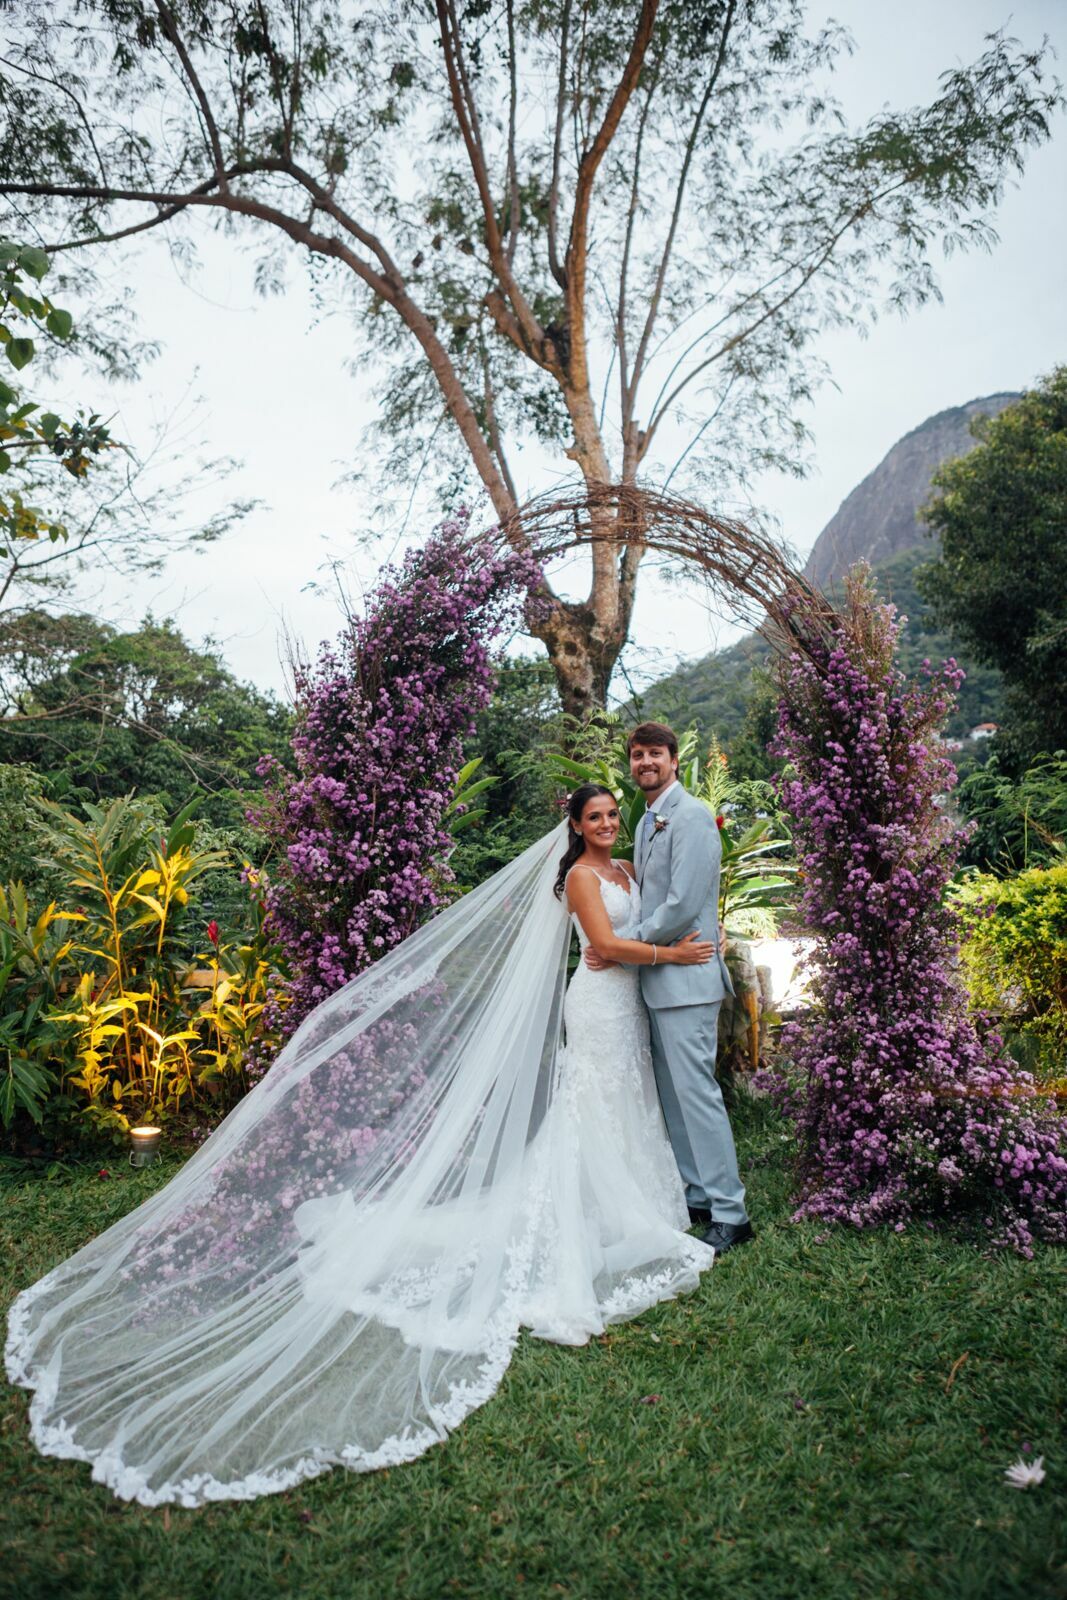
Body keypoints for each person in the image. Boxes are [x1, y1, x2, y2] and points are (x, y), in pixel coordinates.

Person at [6, 786, 720, 1507]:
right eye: (594, 817)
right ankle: (588, 1215)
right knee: (590, 1107)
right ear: (574, 825)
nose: (606, 824)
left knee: (625, 1103)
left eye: (611, 815)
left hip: (626, 1007)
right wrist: (673, 952)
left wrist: (663, 943)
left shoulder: (627, 867)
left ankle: (629, 1203)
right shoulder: (581, 876)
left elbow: (641, 923)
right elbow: (603, 948)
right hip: (597, 1008)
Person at [585, 723, 753, 1254]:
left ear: (674, 759)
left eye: (655, 753)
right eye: (637, 755)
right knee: (675, 1099)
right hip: (655, 982)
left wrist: (619, 944)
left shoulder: (694, 816)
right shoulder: (645, 820)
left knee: (697, 1096)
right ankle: (698, 1196)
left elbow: (681, 905)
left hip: (688, 980)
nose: (645, 762)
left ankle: (732, 1213)